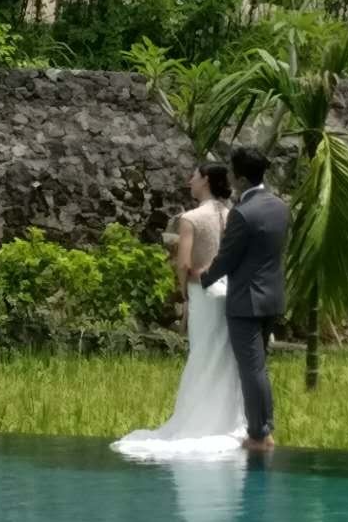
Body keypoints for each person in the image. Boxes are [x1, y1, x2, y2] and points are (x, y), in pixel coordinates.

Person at [112, 162, 246, 457]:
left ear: (205, 180)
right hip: (229, 292)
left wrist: (185, 292)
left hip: (203, 291)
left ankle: (198, 419)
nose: (189, 181)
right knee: (224, 356)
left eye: (194, 176)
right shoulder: (231, 215)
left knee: (201, 353)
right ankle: (225, 419)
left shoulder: (191, 218)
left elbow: (184, 263)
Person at [193, 146, 288, 452]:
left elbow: (227, 258)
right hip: (272, 297)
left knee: (252, 369)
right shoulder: (280, 207)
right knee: (260, 368)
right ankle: (265, 428)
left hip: (246, 301)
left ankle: (259, 434)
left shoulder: (243, 213)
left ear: (240, 176)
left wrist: (204, 277)